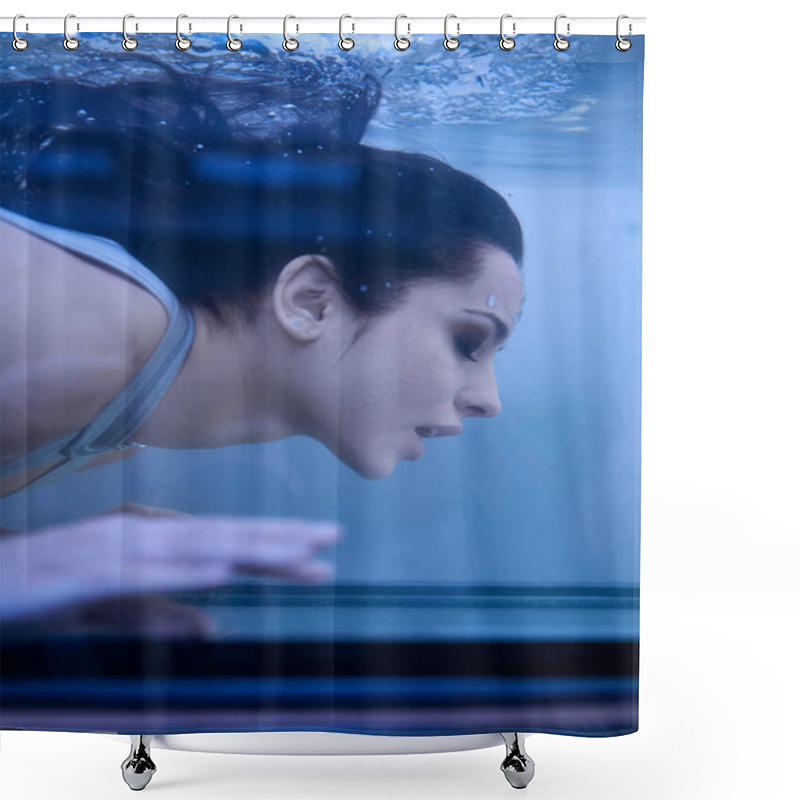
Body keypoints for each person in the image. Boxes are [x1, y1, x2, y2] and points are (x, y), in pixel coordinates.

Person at [0, 69, 525, 631]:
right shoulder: (89, 327)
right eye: (468, 341)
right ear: (311, 300)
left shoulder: (122, 408)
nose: (489, 401)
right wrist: (33, 566)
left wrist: (54, 572)